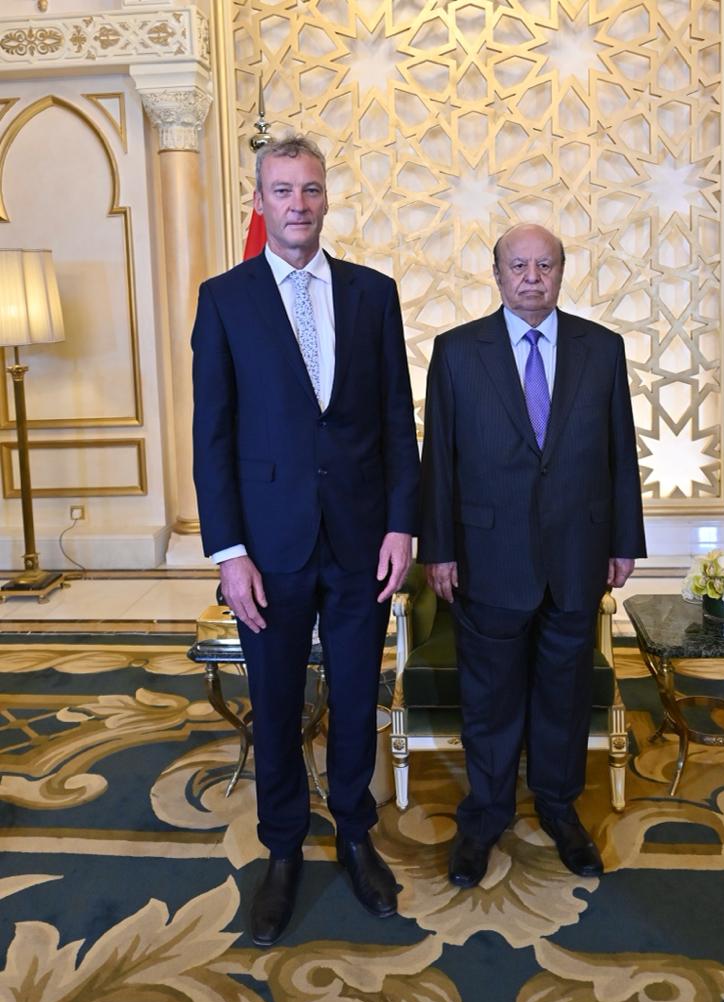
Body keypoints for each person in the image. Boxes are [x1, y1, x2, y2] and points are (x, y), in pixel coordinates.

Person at [191, 133, 420, 945]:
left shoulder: (372, 293)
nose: (298, 204)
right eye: (283, 190)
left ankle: (355, 835)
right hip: (268, 548)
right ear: (259, 201)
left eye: (311, 189)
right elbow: (212, 436)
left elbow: (396, 418)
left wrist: (402, 523)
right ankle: (282, 849)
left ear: (327, 198)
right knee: (278, 702)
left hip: (361, 541)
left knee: (356, 699)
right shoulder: (224, 299)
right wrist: (229, 554)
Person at [419, 223, 645, 887]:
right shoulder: (457, 352)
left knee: (563, 695)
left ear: (561, 273)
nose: (531, 278)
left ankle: (558, 807)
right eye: (518, 266)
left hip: (577, 555)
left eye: (544, 265)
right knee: (489, 699)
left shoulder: (602, 349)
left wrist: (623, 540)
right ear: (496, 275)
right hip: (486, 557)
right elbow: (439, 461)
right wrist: (438, 550)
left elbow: (620, 453)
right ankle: (485, 816)